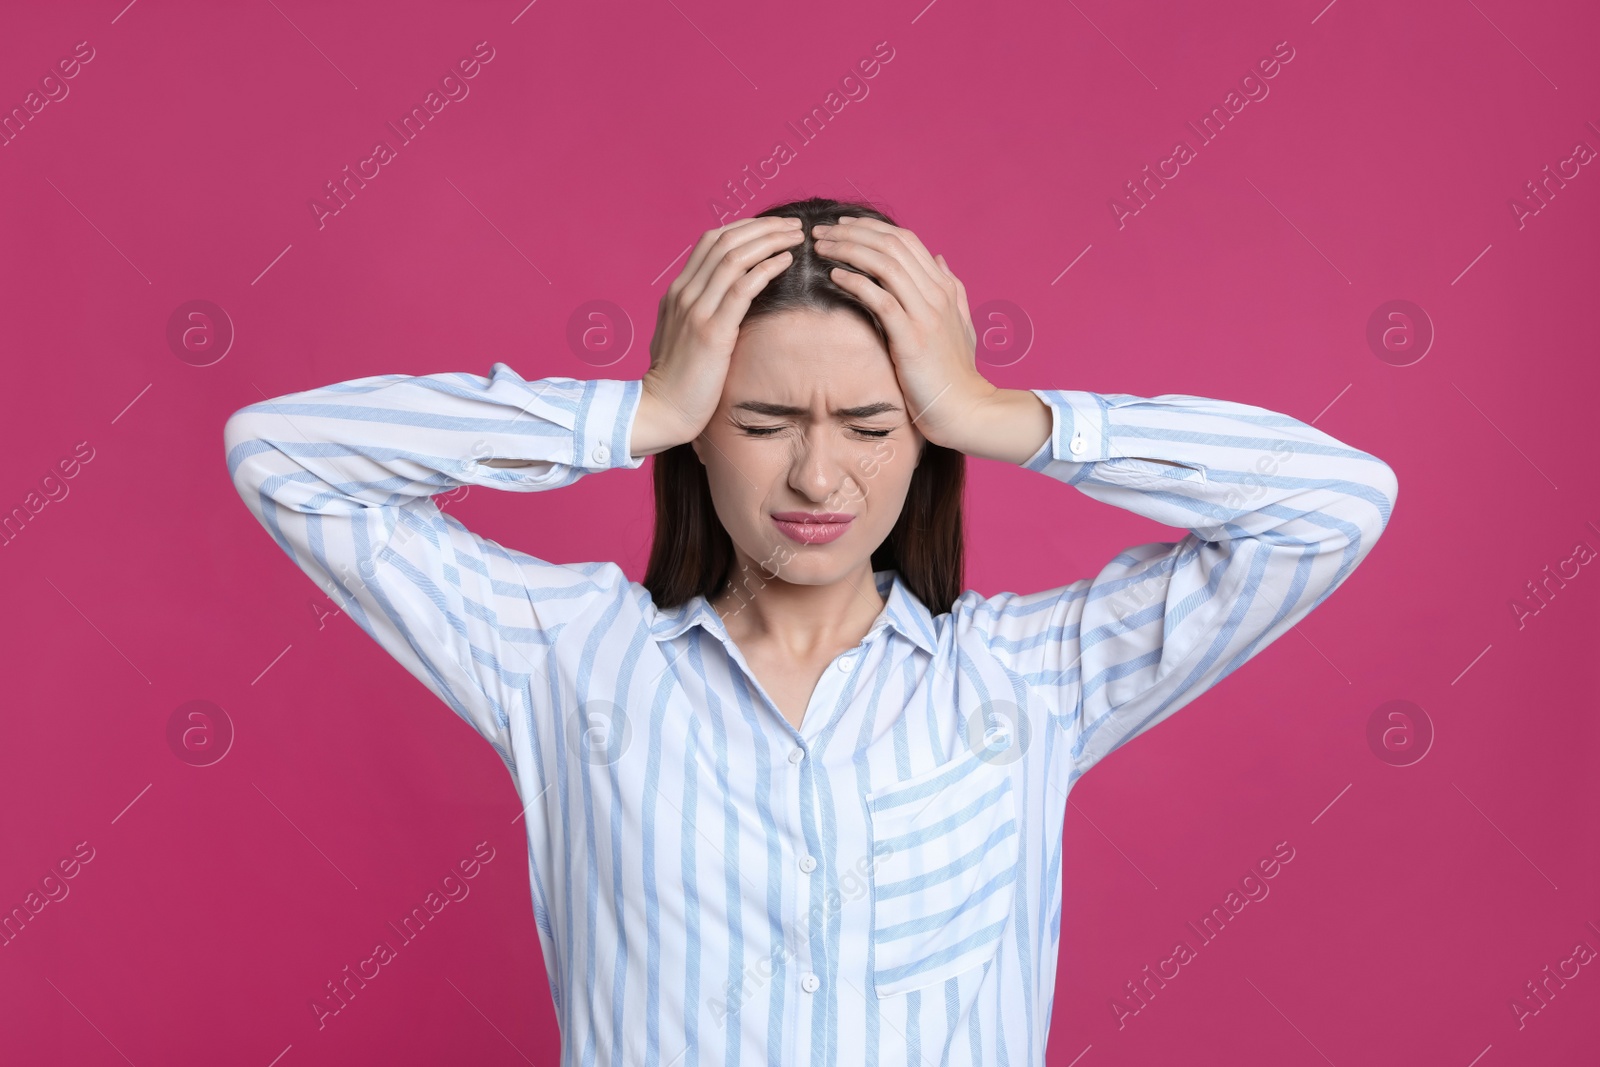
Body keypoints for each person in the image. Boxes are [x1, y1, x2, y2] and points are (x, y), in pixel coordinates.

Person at [223, 196, 1397, 1065]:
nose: (817, 474)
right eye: (765, 419)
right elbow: (283, 458)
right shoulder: (563, 657)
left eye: (875, 424)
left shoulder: (1031, 678)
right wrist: (635, 408)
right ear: (702, 433)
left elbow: (1333, 503)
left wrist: (996, 413)